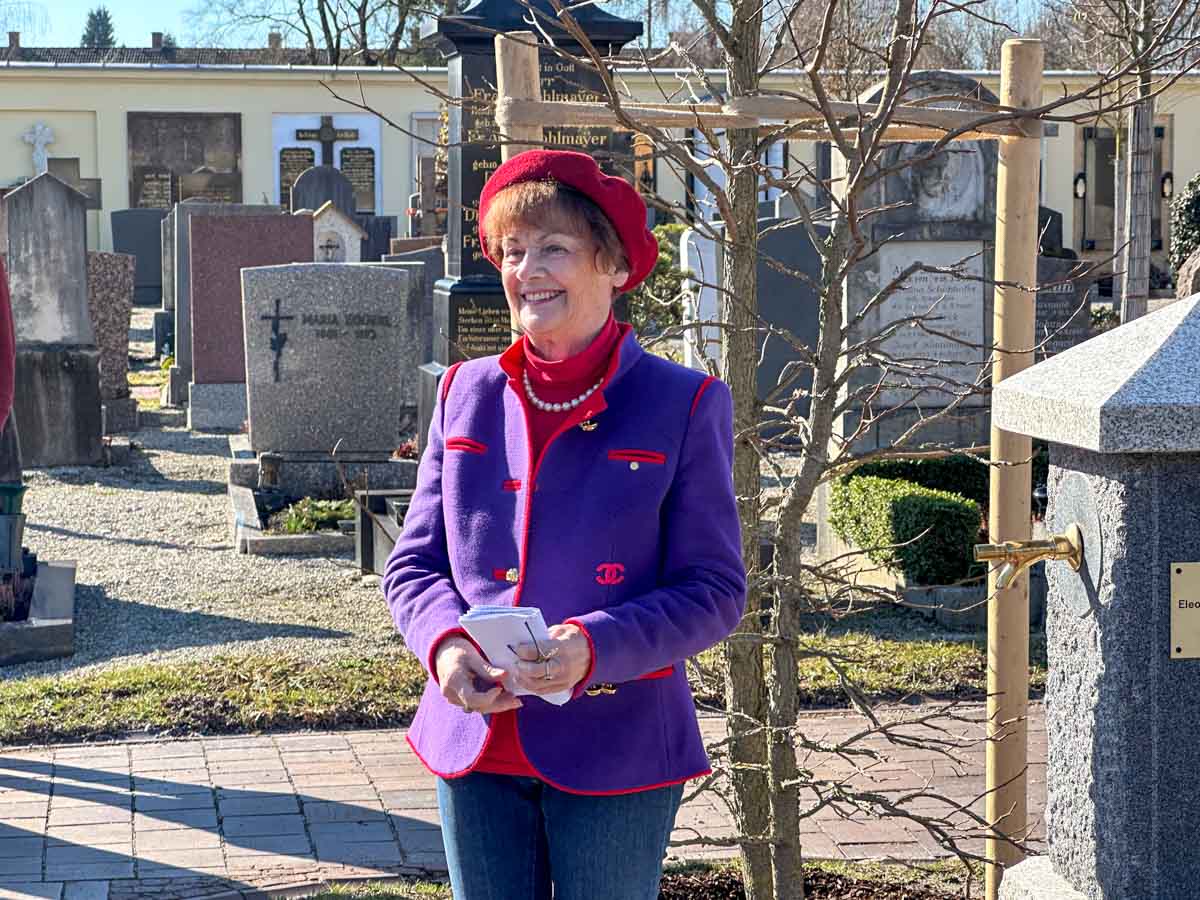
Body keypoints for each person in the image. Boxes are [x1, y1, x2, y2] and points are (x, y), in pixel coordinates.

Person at [383, 149, 746, 900]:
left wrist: (593, 646)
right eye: (513, 251)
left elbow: (714, 590)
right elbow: (413, 566)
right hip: (475, 746)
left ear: (613, 267)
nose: (527, 269)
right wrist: (446, 648)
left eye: (553, 248)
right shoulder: (463, 391)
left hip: (618, 742)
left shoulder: (685, 402)